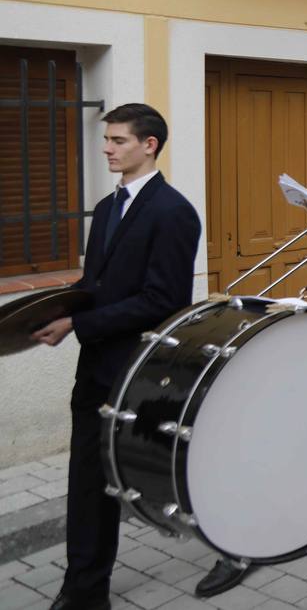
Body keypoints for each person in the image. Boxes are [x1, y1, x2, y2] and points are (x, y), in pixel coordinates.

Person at [33, 104, 200, 610]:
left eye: (118, 140)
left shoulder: (174, 212)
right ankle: (84, 590)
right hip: (95, 368)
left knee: (117, 481)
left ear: (149, 145)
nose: (107, 148)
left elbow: (162, 299)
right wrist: (47, 312)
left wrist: (78, 323)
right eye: (107, 139)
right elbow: (95, 285)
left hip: (136, 373)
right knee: (85, 482)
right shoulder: (107, 208)